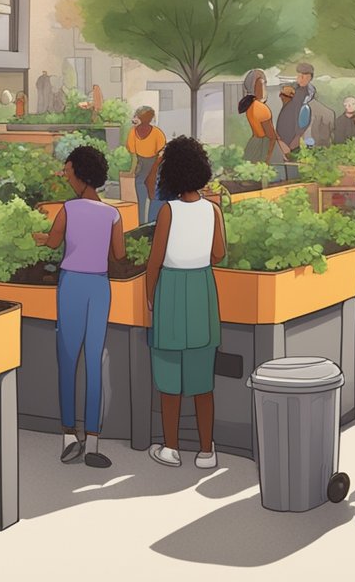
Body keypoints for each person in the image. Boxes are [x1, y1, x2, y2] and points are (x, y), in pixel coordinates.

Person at [33, 146, 126, 469]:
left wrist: (38, 237)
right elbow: (118, 255)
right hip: (99, 287)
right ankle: (94, 441)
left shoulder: (68, 210)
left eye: (69, 172)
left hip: (71, 284)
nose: (67, 178)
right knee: (94, 363)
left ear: (81, 175)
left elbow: (54, 242)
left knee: (68, 359)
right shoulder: (113, 214)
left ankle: (70, 436)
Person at [145, 137, 227, 470]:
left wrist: (151, 298)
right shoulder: (213, 210)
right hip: (202, 291)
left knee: (169, 378)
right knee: (202, 379)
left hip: (172, 290)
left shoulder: (168, 211)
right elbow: (219, 253)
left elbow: (155, 261)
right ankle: (207, 450)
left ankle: (171, 447)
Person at [126, 106, 167, 225]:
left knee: (148, 197)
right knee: (147, 197)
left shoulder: (155, 133)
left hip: (153, 165)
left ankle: (145, 224)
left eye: (137, 116)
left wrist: (132, 171)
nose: (134, 119)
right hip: (145, 166)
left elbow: (160, 154)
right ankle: (146, 224)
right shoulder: (136, 132)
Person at [239, 69, 288, 166]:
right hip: (264, 145)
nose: (265, 88)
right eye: (263, 84)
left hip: (253, 144)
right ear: (256, 87)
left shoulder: (250, 106)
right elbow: (271, 137)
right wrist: (268, 157)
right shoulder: (261, 108)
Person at [276, 64, 316, 156]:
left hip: (296, 129)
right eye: (299, 75)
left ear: (310, 77)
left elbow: (303, 114)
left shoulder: (307, 93)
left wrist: (298, 136)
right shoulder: (293, 89)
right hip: (286, 123)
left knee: (293, 151)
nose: (301, 78)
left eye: (304, 76)